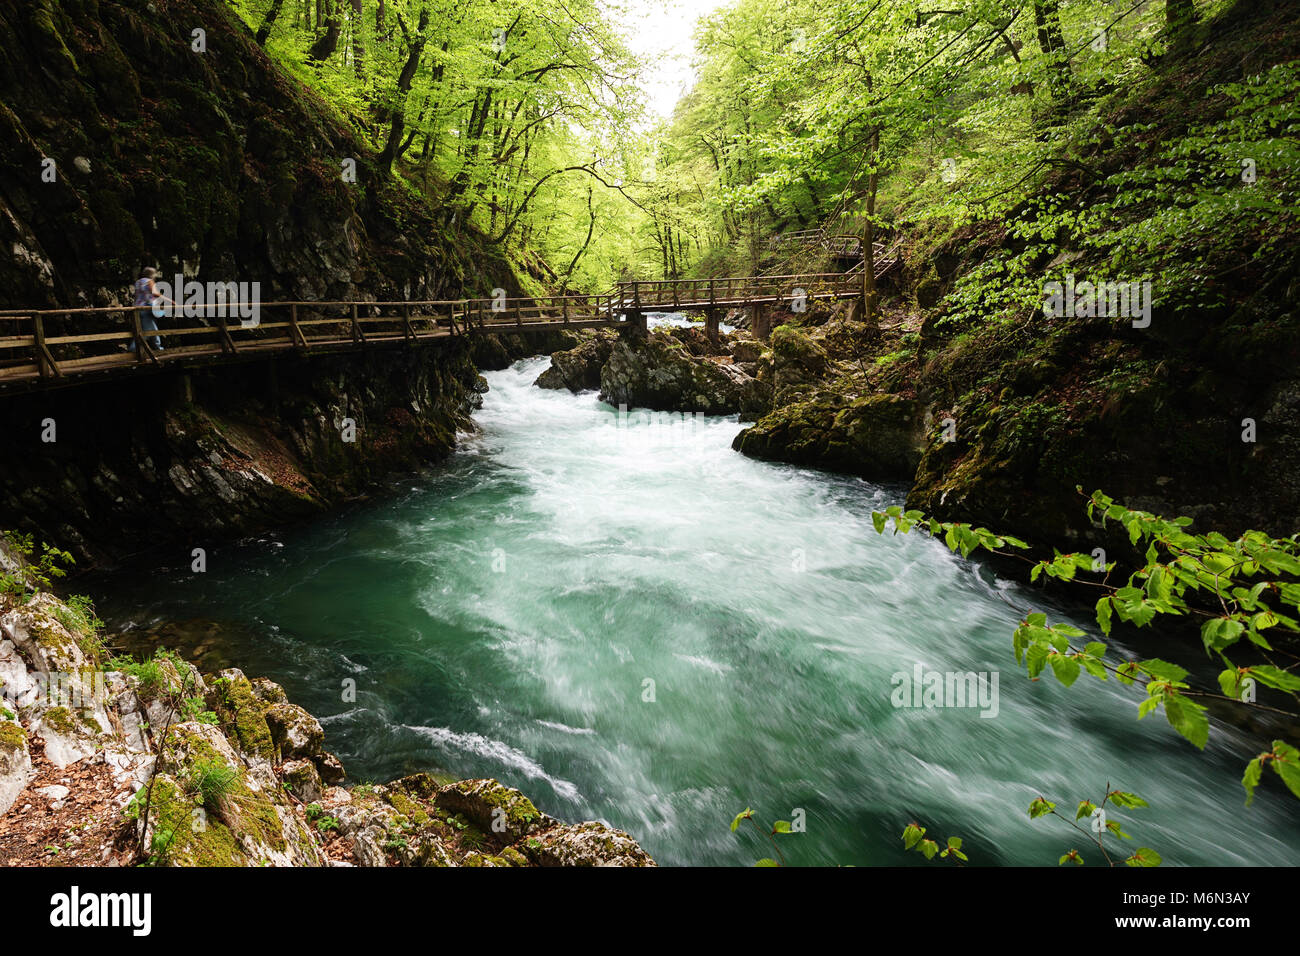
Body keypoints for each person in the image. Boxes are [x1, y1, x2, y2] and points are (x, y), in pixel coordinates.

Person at [128, 267, 164, 352]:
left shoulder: (138, 282)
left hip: (138, 309)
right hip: (146, 309)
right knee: (147, 331)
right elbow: (155, 293)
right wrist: (169, 300)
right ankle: (132, 349)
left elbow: (137, 296)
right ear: (152, 274)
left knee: (153, 329)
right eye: (155, 273)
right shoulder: (149, 281)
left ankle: (159, 348)